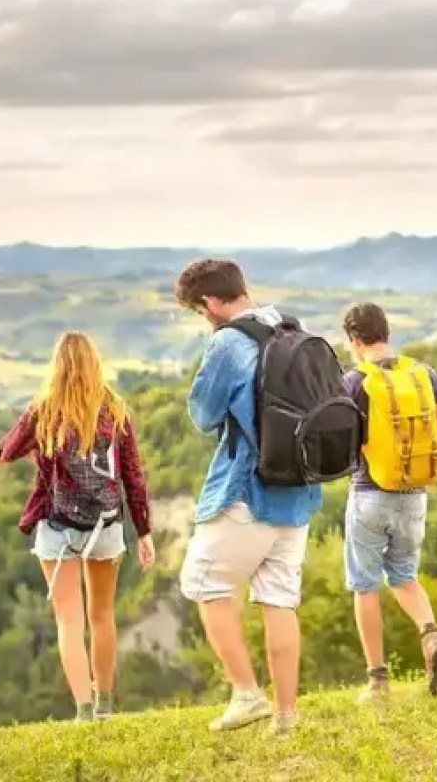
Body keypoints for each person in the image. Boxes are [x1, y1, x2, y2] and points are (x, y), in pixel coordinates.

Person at [175, 258, 320, 735]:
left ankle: (246, 694)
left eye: (200, 310)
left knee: (205, 585)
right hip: (297, 492)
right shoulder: (290, 327)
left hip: (247, 491)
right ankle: (286, 717)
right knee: (279, 600)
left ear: (211, 302)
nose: (204, 318)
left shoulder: (228, 343)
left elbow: (203, 415)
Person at [0, 332, 155, 723]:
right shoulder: (114, 410)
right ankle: (105, 705)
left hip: (58, 526)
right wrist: (144, 531)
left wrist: (33, 417)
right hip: (106, 526)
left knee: (69, 620)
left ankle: (83, 710)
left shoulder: (45, 411)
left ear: (57, 367)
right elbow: (133, 475)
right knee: (102, 616)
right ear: (94, 364)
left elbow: (6, 452)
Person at [341, 301, 437, 701]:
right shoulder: (424, 374)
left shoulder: (354, 382)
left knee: (365, 586)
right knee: (405, 577)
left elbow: (342, 446)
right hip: (414, 495)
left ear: (354, 339)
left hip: (369, 493)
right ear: (386, 331)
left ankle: (377, 681)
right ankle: (431, 633)